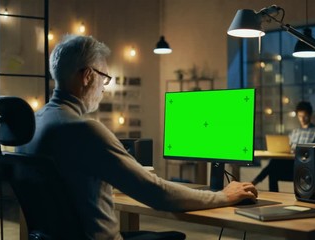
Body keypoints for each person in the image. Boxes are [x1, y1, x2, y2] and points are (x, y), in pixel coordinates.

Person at [18, 35, 257, 240]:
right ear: (88, 76)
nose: (104, 87)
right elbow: (158, 194)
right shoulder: (85, 130)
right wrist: (223, 196)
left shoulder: (30, 127)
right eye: (105, 78)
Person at [251, 101, 315, 191]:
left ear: (310, 115)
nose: (302, 119)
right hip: (290, 163)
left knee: (273, 165)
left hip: (303, 166)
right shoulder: (295, 132)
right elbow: (287, 147)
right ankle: (273, 196)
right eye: (300, 116)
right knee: (273, 168)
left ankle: (255, 181)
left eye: (305, 116)